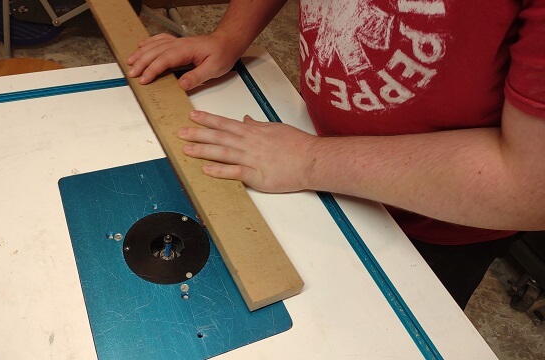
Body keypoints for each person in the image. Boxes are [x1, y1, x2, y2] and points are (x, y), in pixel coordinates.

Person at [126, 0, 545, 309]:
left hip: (432, 229)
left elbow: (531, 188)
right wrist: (230, 34)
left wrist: (310, 160)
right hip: (307, 148)